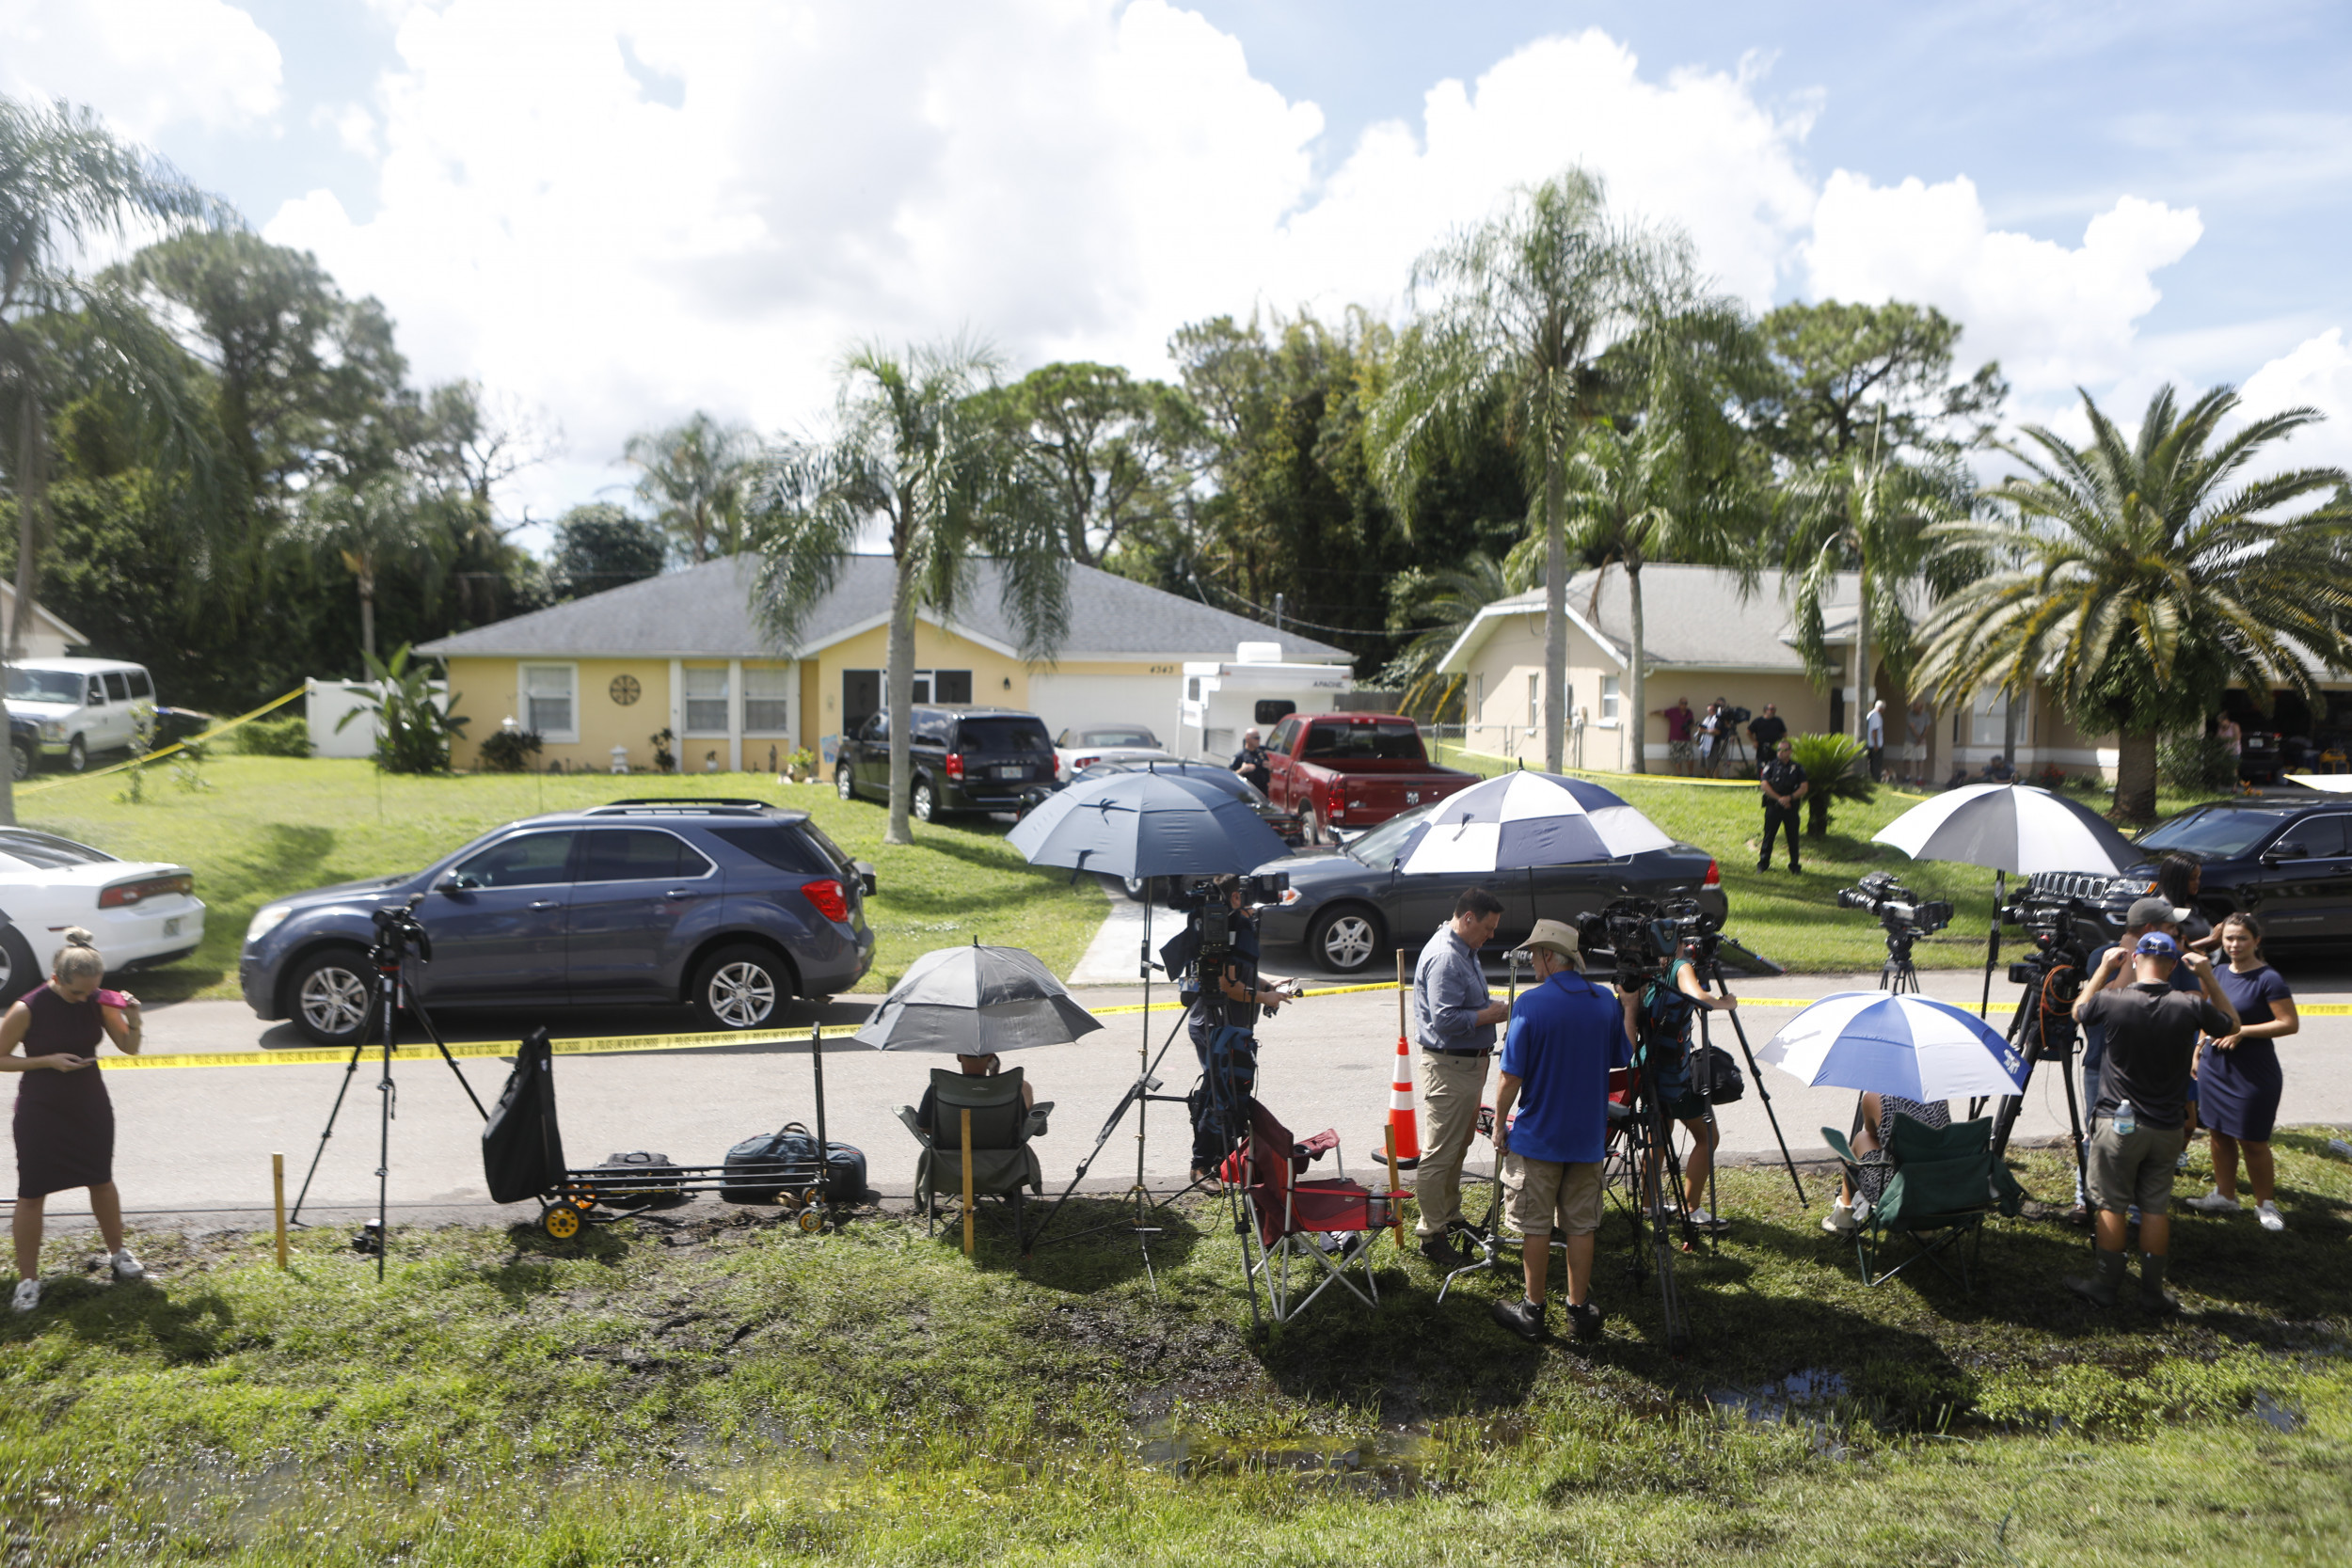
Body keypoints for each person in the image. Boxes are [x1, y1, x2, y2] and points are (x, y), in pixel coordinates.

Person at [2068, 931, 2237, 1311]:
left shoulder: (2113, 1000)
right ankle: (2152, 1292)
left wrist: (2103, 971)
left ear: (2134, 960)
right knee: (2155, 1209)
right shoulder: (2189, 1005)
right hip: (2167, 1126)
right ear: (2174, 966)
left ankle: (2105, 1285)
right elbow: (2231, 1024)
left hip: (2118, 1122)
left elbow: (2080, 1010)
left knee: (2111, 1204)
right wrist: (2209, 978)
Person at [1488, 920, 1629, 1343]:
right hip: (1587, 1137)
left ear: (1551, 956)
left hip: (1538, 1136)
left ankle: (1532, 1312)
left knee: (1536, 1225)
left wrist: (1498, 1124)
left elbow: (1510, 1077)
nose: (1531, 962)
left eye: (1534, 954)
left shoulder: (1531, 1005)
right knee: (1580, 1226)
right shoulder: (1605, 1001)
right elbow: (1618, 1057)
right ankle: (1579, 1311)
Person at [5, 930, 145, 1312]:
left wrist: (133, 1019)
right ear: (56, 977)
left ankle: (119, 1255)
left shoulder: (98, 999)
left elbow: (129, 1047)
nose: (87, 998)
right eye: (78, 993)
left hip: (89, 1104)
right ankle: (28, 1280)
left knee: (101, 1179)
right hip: (41, 1109)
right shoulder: (27, 1008)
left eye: (93, 991)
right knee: (32, 1192)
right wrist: (46, 1061)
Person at [2074, 895, 2199, 1217]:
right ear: (2148, 928)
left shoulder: (2177, 959)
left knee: (2144, 1138)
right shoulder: (2105, 956)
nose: (2177, 933)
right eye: (2171, 927)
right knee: (2097, 1134)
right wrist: (2130, 957)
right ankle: (2085, 1198)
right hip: (2102, 1066)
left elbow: (2197, 1000)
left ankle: (2135, 1208)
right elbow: (2099, 1004)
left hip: (2156, 1066)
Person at [1166, 876, 1295, 1179]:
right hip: (1214, 1025)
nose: (1255, 908)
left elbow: (1239, 971)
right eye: (1248, 899)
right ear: (1235, 898)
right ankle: (1200, 1167)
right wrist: (1265, 996)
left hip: (1231, 1024)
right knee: (1217, 1098)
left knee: (1232, 1094)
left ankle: (1225, 1162)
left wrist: (1266, 984)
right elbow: (1227, 985)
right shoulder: (1224, 928)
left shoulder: (1234, 926)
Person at [1410, 886, 1513, 1267]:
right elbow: (1446, 1019)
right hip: (1449, 1067)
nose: (1491, 936)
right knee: (1440, 1153)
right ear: (1467, 918)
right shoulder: (1445, 957)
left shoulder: (1464, 951)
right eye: (1487, 928)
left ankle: (1449, 1216)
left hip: (1466, 1067)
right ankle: (1430, 1235)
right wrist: (1494, 1013)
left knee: (1458, 1145)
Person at [2185, 912, 2295, 1231]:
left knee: (2253, 1139)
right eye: (2229, 938)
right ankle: (2225, 1195)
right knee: (2218, 1133)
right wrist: (2199, 1047)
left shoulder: (2268, 979)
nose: (2234, 944)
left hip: (2253, 1071)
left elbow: (2289, 1023)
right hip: (2215, 1067)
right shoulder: (2216, 971)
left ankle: (2266, 1205)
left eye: (2242, 938)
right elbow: (2209, 1013)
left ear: (2256, 941)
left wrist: (2242, 1031)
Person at [1622, 933, 1738, 1228]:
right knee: (1708, 1136)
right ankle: (1691, 1208)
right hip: (1673, 1073)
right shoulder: (1679, 967)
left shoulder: (1651, 969)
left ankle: (1649, 1204)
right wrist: (1725, 1002)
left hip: (1648, 1065)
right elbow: (1697, 997)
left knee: (1660, 1131)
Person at [1822, 1091, 1951, 1235]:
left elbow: (1872, 1132)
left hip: (1895, 1194)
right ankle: (1924, 1228)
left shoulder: (1875, 1098)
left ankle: (1844, 1219)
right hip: (1942, 1191)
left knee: (1862, 1138)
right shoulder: (1939, 1097)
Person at [915, 1052, 1035, 1120]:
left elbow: (923, 1127)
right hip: (1003, 1158)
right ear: (991, 1057)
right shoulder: (1011, 1088)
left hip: (950, 1157)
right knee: (1025, 1087)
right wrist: (996, 1078)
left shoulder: (939, 1086)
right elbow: (1022, 1124)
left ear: (958, 1057)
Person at [1757, 738, 1807, 874]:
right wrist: (1780, 799)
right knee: (1768, 836)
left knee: (1793, 838)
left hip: (1790, 807)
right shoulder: (1771, 766)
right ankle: (1763, 864)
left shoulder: (1797, 768)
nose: (1780, 752)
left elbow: (1804, 787)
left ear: (1790, 752)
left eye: (1784, 750)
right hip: (1774, 806)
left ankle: (1794, 865)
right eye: (1778, 750)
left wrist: (1789, 798)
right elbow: (1764, 784)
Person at [2155, 855, 2217, 954]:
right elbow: (2170, 949)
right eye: (2192, 879)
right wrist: (2212, 939)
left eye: (2198, 877)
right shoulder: (2163, 909)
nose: (2197, 882)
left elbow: (2208, 949)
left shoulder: (2193, 905)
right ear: (2177, 880)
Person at [1652, 697, 1695, 776]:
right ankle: (1679, 773)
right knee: (1676, 758)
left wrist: (1688, 727)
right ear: (1679, 704)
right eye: (1682, 703)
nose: (1684, 705)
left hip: (1686, 739)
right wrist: (1652, 712)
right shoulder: (1673, 711)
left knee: (1690, 757)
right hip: (1674, 739)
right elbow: (1663, 712)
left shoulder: (1689, 712)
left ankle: (1691, 774)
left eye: (1686, 703)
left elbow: (1692, 722)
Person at [1230, 729, 1272, 795]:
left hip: (1262, 793)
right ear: (1248, 739)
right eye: (1256, 738)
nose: (1259, 740)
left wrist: (1270, 768)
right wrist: (1242, 770)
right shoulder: (1239, 756)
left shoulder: (1262, 755)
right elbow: (1230, 777)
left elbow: (1269, 774)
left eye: (1259, 738)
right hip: (1247, 793)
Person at [1905, 699, 1933, 784]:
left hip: (1921, 741)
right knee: (1907, 759)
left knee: (1920, 760)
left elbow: (1927, 728)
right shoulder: (1910, 715)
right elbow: (1912, 728)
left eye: (1916, 707)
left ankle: (1919, 778)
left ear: (1921, 708)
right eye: (1914, 707)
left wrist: (1920, 739)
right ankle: (1907, 777)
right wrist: (1918, 738)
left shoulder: (1926, 715)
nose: (1914, 709)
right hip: (1910, 740)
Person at [1694, 701, 1725, 776]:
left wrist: (1704, 730)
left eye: (1710, 709)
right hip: (1705, 744)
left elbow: (1717, 732)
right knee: (1705, 763)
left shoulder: (1717, 719)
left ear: (1714, 710)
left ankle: (1715, 781)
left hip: (1713, 744)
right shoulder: (1707, 719)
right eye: (1708, 709)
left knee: (1713, 764)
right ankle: (1708, 779)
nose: (1709, 711)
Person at [1865, 699, 1887, 784]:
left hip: (1871, 744)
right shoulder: (1876, 716)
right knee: (1876, 764)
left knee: (1872, 763)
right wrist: (1876, 744)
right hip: (1874, 745)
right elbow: (1874, 731)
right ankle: (1875, 781)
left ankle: (1873, 779)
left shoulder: (1871, 714)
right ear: (1881, 708)